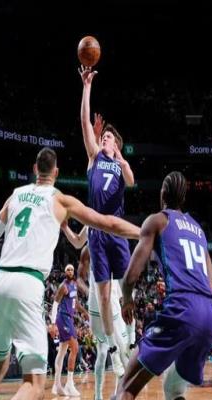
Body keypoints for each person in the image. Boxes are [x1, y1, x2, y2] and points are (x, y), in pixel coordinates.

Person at [0, 147, 140, 400]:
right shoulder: (61, 200)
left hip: (0, 281)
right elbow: (109, 223)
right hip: (28, 283)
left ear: (35, 169)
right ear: (56, 173)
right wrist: (143, 232)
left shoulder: (15, 195)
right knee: (35, 384)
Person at [111, 171, 212, 400]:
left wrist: (127, 299)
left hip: (184, 309)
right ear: (184, 198)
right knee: (174, 390)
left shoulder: (157, 220)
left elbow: (130, 276)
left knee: (126, 388)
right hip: (209, 316)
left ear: (162, 194)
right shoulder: (199, 231)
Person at [79, 65, 135, 377]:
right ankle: (115, 351)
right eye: (103, 137)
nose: (104, 138)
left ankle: (130, 338)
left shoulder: (119, 163)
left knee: (127, 288)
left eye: (109, 137)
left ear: (116, 145)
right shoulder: (94, 158)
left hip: (117, 229)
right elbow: (85, 124)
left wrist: (122, 159)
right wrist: (87, 87)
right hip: (97, 232)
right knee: (102, 293)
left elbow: (131, 181)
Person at [61, 223, 129, 400]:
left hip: (114, 299)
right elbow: (79, 279)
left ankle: (116, 394)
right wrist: (92, 290)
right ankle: (99, 399)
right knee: (103, 351)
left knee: (122, 350)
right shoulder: (89, 245)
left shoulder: (117, 237)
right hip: (99, 302)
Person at [51, 264, 89, 397]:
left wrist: (85, 312)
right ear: (65, 272)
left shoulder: (74, 285)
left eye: (72, 269)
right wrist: (53, 324)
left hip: (69, 318)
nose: (70, 271)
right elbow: (55, 304)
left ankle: (56, 385)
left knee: (62, 351)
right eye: (68, 269)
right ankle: (69, 384)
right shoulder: (63, 286)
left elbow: (76, 303)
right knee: (75, 348)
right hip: (63, 318)